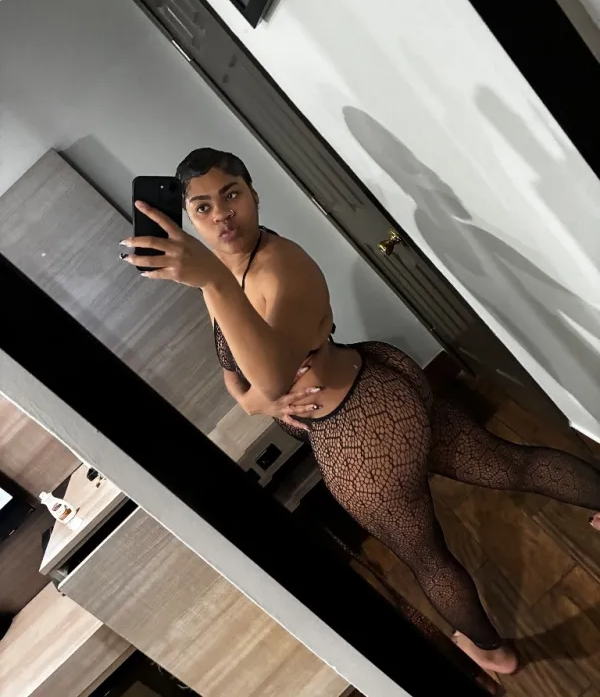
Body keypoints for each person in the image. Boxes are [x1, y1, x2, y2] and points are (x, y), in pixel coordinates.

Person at [119, 148, 600, 675]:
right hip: (375, 383)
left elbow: (269, 383)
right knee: (506, 463)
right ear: (190, 217)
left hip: (359, 432)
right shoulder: (222, 275)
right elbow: (236, 378)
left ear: (253, 194)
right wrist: (254, 393)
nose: (222, 215)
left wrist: (259, 391)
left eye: (231, 195)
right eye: (203, 207)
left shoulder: (275, 268)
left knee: (426, 556)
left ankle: (493, 653)